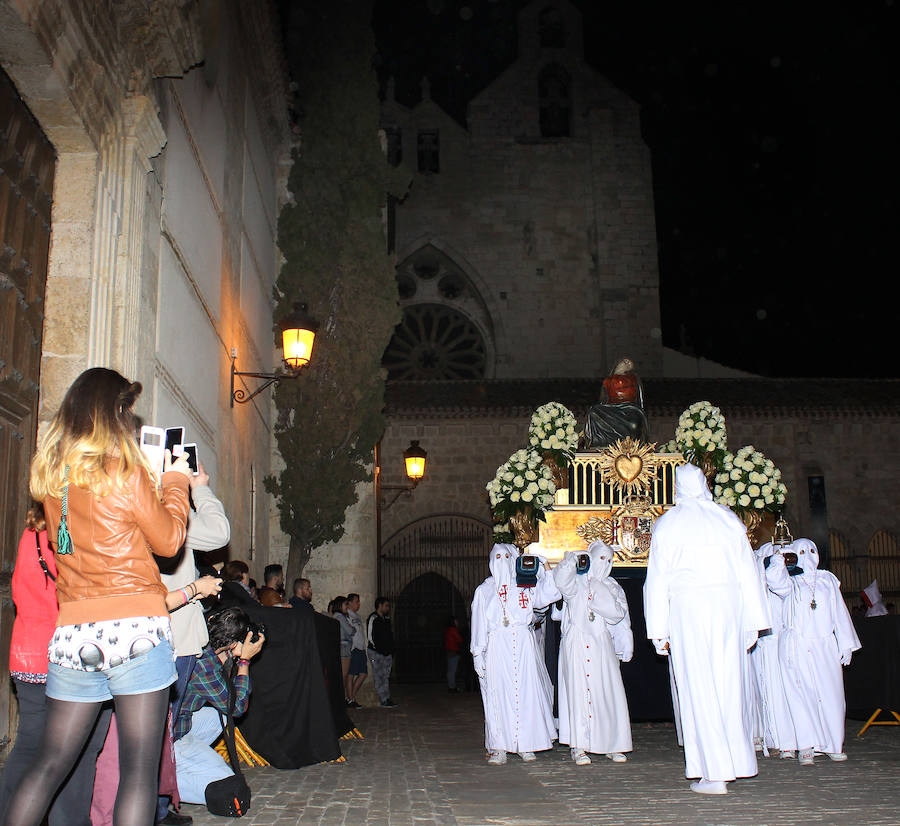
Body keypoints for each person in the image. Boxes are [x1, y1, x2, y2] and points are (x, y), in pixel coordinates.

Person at [5, 367, 191, 826]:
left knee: (49, 764)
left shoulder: (54, 480)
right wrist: (176, 482)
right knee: (138, 773)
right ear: (113, 413)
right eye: (126, 410)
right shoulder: (125, 473)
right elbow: (168, 541)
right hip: (135, 631)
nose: (130, 419)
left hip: (73, 633)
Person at [644, 463, 769, 795]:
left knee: (699, 685)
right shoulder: (727, 520)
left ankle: (715, 773)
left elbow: (657, 578)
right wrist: (753, 621)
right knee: (729, 685)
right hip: (729, 606)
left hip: (689, 610)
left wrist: (658, 627)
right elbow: (748, 570)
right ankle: (737, 762)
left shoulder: (668, 523)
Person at [0, 506, 112, 826]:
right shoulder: (75, 532)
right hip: (69, 651)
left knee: (30, 746)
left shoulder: (31, 532)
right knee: (81, 750)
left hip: (28, 649)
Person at [154, 459, 230, 825]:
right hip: (174, 634)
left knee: (151, 730)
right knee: (160, 730)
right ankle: (155, 807)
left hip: (136, 634)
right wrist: (197, 487)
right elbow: (218, 533)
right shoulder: (163, 510)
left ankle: (154, 804)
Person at [765, 538, 861, 765]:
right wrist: (780, 558)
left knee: (832, 695)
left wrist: (845, 644)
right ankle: (806, 745)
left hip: (824, 645)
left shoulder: (828, 580)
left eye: (811, 550)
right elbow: (774, 581)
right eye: (802, 551)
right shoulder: (790, 582)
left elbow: (840, 613)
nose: (808, 555)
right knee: (801, 694)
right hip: (796, 645)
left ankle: (833, 744)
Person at [470, 544, 560, 765]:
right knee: (497, 697)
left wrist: (545, 566)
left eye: (507, 557)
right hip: (497, 644)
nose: (502, 561)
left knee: (525, 693)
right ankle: (499, 746)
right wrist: (477, 653)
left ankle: (525, 743)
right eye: (497, 557)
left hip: (522, 643)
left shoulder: (524, 585)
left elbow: (549, 595)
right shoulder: (485, 590)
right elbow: (478, 623)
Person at [172, 606, 265, 809]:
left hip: (179, 722)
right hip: (170, 735)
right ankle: (160, 780)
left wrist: (228, 657)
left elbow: (224, 699)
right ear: (233, 642)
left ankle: (181, 762)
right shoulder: (204, 665)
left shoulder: (203, 645)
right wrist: (244, 661)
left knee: (216, 716)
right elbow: (237, 706)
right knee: (229, 790)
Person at [553, 542, 633, 765]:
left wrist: (625, 645)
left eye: (609, 560)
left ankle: (611, 742)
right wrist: (570, 561)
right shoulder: (576, 583)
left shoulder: (612, 586)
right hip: (577, 641)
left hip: (601, 644)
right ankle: (580, 745)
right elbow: (562, 582)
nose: (604, 564)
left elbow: (618, 616)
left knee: (605, 693)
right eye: (600, 559)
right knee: (578, 692)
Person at [749, 542, 797, 759]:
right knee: (760, 689)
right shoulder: (757, 565)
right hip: (762, 638)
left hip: (782, 636)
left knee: (782, 689)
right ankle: (765, 736)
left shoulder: (788, 579)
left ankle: (785, 738)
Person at [582, 357, 650, 449]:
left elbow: (640, 398)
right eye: (624, 362)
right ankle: (597, 443)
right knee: (593, 411)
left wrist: (642, 414)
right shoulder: (608, 381)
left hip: (630, 408)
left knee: (634, 424)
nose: (626, 364)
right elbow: (603, 399)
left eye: (628, 363)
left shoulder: (634, 378)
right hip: (611, 408)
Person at [367, 597, 397, 708]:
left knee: (385, 676)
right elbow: (370, 637)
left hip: (387, 653)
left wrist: (391, 650)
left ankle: (387, 698)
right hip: (376, 652)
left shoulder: (386, 618)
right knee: (378, 676)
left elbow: (390, 634)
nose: (388, 608)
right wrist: (379, 650)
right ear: (380, 605)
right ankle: (383, 699)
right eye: (386, 605)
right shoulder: (373, 618)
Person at [345, 593, 368, 708]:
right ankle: (350, 699)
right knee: (351, 674)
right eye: (356, 601)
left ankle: (351, 697)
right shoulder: (346, 615)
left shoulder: (357, 616)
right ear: (349, 602)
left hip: (361, 648)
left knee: (363, 674)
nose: (358, 604)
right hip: (353, 648)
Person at [445, 616, 464, 693]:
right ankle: (452, 687)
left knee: (450, 670)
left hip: (449, 651)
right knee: (452, 671)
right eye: (456, 621)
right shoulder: (453, 630)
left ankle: (451, 686)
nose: (457, 622)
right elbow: (459, 639)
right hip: (453, 652)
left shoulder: (448, 630)